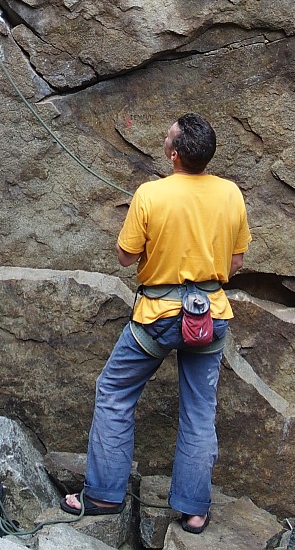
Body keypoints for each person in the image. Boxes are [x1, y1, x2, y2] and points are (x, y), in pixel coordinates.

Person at [61, 113, 251, 536]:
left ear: (174, 153)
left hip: (158, 318)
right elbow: (235, 263)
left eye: (167, 137)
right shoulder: (231, 194)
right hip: (210, 317)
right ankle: (194, 509)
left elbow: (126, 257)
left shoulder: (150, 195)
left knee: (114, 390)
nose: (164, 140)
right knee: (200, 411)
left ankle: (104, 495)